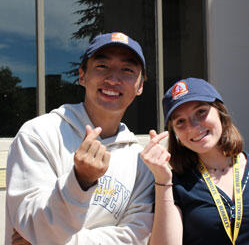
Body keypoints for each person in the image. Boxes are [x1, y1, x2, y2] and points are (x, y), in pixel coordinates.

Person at [5, 32, 155, 245]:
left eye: (127, 70)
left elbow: (138, 236)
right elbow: (32, 226)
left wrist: (59, 241)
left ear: (140, 86)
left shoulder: (141, 160)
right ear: (82, 76)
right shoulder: (39, 134)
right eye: (102, 66)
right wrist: (80, 180)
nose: (113, 79)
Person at [141, 77, 249, 245]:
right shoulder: (174, 185)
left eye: (201, 112)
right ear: (175, 134)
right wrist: (163, 181)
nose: (193, 126)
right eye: (180, 121)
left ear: (220, 113)